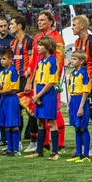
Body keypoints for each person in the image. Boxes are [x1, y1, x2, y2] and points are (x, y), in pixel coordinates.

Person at [25, 11, 66, 154]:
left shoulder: (57, 37)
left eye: (42, 20)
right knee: (40, 114)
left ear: (51, 21)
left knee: (55, 112)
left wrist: (55, 80)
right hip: (38, 79)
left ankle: (60, 144)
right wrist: (29, 72)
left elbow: (60, 59)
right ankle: (44, 144)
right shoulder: (36, 37)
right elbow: (33, 58)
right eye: (38, 20)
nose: (39, 22)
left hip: (50, 81)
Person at [25, 36, 60, 160]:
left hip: (47, 93)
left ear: (47, 47)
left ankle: (55, 152)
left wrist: (38, 96)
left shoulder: (53, 61)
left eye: (40, 45)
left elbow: (51, 82)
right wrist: (35, 94)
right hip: (38, 92)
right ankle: (39, 151)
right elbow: (35, 79)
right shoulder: (40, 62)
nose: (37, 47)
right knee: (40, 121)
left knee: (51, 122)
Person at [72, 15, 92, 155]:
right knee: (82, 115)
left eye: (74, 25)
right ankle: (82, 145)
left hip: (90, 83)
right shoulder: (77, 42)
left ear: (82, 26)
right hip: (80, 84)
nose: (72, 27)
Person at [0, 16, 15, 147]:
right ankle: (2, 137)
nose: (4, 28)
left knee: (11, 110)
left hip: (10, 79)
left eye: (5, 26)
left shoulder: (12, 41)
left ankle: (13, 139)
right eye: (1, 26)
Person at [9, 15, 33, 146]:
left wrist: (29, 81)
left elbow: (31, 62)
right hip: (15, 80)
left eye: (12, 24)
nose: (10, 26)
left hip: (25, 79)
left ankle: (33, 140)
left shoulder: (28, 41)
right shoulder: (12, 42)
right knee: (17, 110)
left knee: (29, 109)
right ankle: (18, 141)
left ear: (19, 26)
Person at [66, 50, 92, 163]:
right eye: (71, 58)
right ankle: (78, 153)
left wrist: (81, 107)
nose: (72, 61)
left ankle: (86, 154)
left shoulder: (83, 73)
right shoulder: (72, 74)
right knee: (76, 128)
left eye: (74, 59)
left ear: (81, 61)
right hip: (73, 100)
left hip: (81, 101)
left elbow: (85, 92)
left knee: (83, 127)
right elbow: (71, 90)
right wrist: (68, 104)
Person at [0, 49, 21, 156]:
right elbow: (2, 86)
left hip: (11, 99)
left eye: (4, 59)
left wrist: (1, 91)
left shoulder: (13, 71)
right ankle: (9, 148)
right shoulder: (2, 72)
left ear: (11, 60)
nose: (2, 61)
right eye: (1, 59)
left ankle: (16, 149)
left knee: (13, 125)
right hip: (4, 99)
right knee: (6, 125)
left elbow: (14, 88)